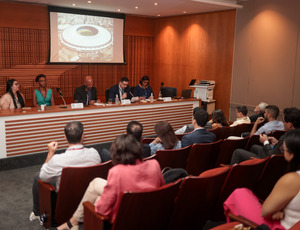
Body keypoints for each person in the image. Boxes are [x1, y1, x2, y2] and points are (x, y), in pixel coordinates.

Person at [55, 134, 165, 230]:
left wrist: (96, 203)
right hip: (149, 212)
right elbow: (162, 190)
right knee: (95, 182)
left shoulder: (117, 172)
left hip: (124, 217)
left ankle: (72, 223)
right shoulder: (154, 164)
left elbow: (103, 210)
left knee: (97, 199)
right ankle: (72, 223)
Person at [224, 129, 300, 230]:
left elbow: (265, 212)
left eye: (283, 149)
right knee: (246, 192)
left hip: (279, 226)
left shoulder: (292, 179)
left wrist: (279, 211)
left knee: (239, 193)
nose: (282, 151)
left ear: (292, 154)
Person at [29, 121, 101, 222]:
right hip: (88, 195)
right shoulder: (94, 153)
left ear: (65, 137)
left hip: (66, 200)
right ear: (83, 136)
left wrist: (50, 153)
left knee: (38, 177)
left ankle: (37, 213)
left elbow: (43, 177)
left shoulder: (58, 160)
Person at [230, 107, 300, 165]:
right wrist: (277, 142)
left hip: (270, 162)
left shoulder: (286, 137)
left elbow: (272, 157)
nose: (283, 123)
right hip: (277, 156)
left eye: (284, 121)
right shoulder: (293, 135)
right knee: (254, 147)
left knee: (237, 152)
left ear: (290, 125)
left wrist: (265, 142)